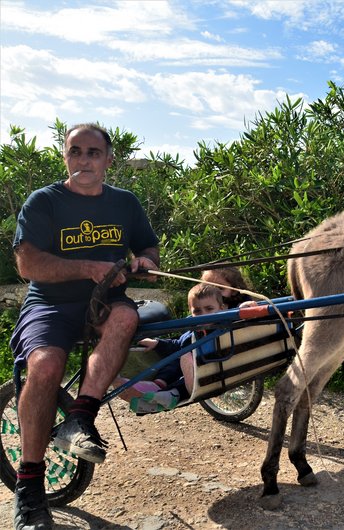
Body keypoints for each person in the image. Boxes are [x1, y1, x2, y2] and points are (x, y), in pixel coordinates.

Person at [9, 123, 160, 530]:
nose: (84, 160)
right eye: (75, 151)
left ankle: (80, 416)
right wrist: (88, 268)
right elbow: (27, 265)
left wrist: (145, 260)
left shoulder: (125, 203)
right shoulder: (44, 202)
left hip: (106, 302)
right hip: (51, 303)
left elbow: (148, 245)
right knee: (44, 367)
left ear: (110, 160)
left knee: (127, 316)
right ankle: (29, 487)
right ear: (65, 156)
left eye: (93, 152)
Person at [114, 283, 226, 413]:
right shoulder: (201, 330)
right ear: (191, 311)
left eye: (209, 308)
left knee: (183, 358)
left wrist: (244, 306)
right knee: (177, 358)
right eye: (197, 311)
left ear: (222, 309)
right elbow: (178, 344)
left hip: (205, 373)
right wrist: (158, 343)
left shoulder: (220, 327)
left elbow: (179, 346)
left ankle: (170, 394)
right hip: (205, 368)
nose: (203, 315)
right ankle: (158, 385)